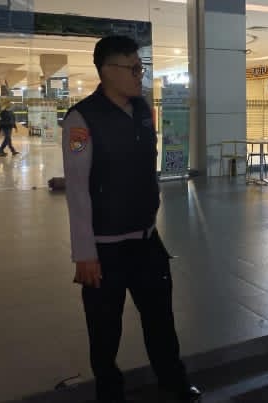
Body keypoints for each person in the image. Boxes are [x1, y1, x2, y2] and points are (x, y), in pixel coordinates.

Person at [61, 35, 201, 403]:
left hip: (146, 240)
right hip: (104, 248)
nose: (141, 75)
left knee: (161, 320)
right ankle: (110, 394)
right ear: (108, 71)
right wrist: (84, 253)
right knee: (105, 331)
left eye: (142, 68)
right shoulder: (81, 119)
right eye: (134, 69)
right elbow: (77, 188)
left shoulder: (142, 110)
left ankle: (174, 383)